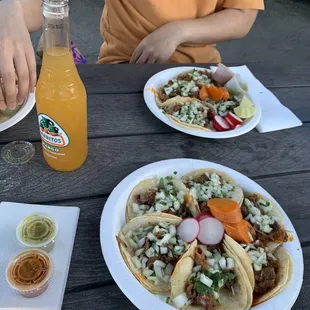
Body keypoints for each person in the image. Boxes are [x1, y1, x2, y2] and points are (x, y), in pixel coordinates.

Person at [0, 0, 264, 111]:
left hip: (200, 74)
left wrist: (177, 31)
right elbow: (35, 13)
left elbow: (242, 17)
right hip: (122, 69)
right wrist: (7, 8)